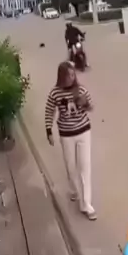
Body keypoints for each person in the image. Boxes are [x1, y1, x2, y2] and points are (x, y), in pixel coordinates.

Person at [45, 62, 97, 220]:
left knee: (84, 167)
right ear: (61, 77)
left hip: (83, 131)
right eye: (68, 75)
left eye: (73, 75)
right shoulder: (55, 93)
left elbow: (91, 107)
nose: (71, 78)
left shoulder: (81, 90)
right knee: (71, 167)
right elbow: (49, 111)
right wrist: (49, 130)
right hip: (66, 134)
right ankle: (74, 190)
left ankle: (86, 204)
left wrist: (85, 103)